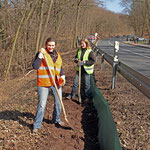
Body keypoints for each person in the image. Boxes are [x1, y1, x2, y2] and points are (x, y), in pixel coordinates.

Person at [32, 37, 66, 133]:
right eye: (49, 45)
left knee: (59, 102)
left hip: (56, 82)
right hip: (44, 83)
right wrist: (40, 56)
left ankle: (56, 119)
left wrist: (62, 75)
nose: (51, 47)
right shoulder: (42, 53)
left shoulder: (57, 55)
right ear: (46, 45)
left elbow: (59, 68)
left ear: (55, 46)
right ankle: (37, 125)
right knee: (42, 105)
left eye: (52, 45)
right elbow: (35, 66)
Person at [67, 38, 95, 103]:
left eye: (83, 43)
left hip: (87, 70)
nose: (82, 45)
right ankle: (72, 95)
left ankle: (87, 97)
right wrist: (76, 60)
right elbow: (76, 57)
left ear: (86, 43)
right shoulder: (79, 50)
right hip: (79, 69)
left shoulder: (89, 51)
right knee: (75, 83)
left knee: (86, 84)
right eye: (81, 43)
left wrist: (84, 62)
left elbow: (92, 61)